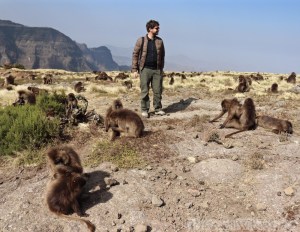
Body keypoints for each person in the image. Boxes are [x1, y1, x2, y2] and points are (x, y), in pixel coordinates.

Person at [132, 19, 165, 118]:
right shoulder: (141, 40)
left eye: (158, 27)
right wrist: (134, 70)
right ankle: (145, 110)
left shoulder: (160, 41)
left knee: (158, 90)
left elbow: (162, 55)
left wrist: (161, 69)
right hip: (145, 69)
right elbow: (135, 55)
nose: (158, 29)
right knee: (144, 90)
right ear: (150, 29)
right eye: (156, 28)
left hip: (157, 70)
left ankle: (158, 109)